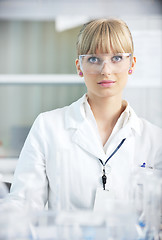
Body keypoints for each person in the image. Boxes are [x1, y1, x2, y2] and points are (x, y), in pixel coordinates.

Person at [5, 18, 162, 211]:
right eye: (94, 59)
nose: (106, 70)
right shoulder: (47, 127)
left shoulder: (155, 140)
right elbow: (23, 205)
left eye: (117, 58)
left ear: (132, 64)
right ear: (79, 67)